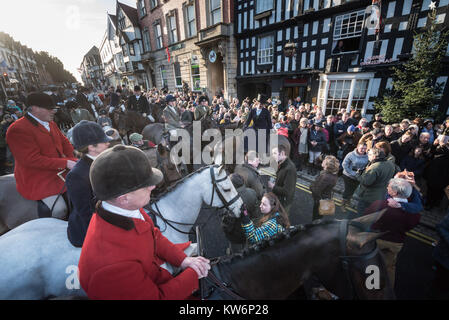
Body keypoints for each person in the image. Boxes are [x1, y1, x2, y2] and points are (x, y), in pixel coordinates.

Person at [78, 145, 211, 300]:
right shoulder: (112, 266)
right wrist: (194, 273)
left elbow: (153, 235)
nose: (153, 187)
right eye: (145, 185)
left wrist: (183, 259)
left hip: (152, 270)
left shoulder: (127, 208)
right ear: (124, 198)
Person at [6, 92, 77, 218]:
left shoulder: (50, 123)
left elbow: (65, 142)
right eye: (50, 109)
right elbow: (31, 160)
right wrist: (66, 163)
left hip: (59, 171)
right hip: (37, 176)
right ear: (34, 108)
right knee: (59, 209)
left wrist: (75, 157)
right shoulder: (17, 129)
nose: (54, 111)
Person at [364, 178, 421, 287]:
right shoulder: (415, 213)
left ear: (394, 192)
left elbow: (367, 216)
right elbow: (411, 225)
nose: (387, 188)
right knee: (389, 266)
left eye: (388, 187)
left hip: (376, 239)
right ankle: (387, 289)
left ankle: (369, 286)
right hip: (396, 243)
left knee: (370, 262)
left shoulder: (379, 205)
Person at [66, 121, 111, 247]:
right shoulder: (76, 175)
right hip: (91, 226)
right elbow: (86, 212)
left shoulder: (108, 160)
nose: (108, 143)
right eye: (104, 141)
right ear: (91, 147)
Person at [357, 147, 396, 215]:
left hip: (368, 196)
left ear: (374, 156)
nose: (367, 155)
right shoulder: (390, 164)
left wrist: (358, 175)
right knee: (370, 215)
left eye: (369, 154)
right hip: (381, 196)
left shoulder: (374, 167)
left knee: (361, 214)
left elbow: (366, 182)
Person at [268, 144, 296, 213]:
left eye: (275, 153)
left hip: (283, 203)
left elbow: (287, 191)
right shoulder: (281, 163)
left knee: (282, 220)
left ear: (282, 153)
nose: (273, 156)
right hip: (279, 199)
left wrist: (273, 186)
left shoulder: (290, 169)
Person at [309, 155, 339, 221]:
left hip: (320, 199)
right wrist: (319, 158)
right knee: (320, 214)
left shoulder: (326, 177)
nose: (322, 161)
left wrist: (311, 187)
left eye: (324, 161)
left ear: (327, 165)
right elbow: (317, 164)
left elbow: (316, 190)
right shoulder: (331, 173)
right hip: (325, 197)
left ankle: (315, 227)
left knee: (316, 216)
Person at [341, 143, 369, 210]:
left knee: (353, 190)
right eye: (361, 148)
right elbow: (344, 165)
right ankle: (343, 205)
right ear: (357, 147)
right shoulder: (351, 154)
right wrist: (353, 173)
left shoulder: (367, 156)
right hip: (348, 175)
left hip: (358, 176)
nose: (363, 150)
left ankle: (348, 201)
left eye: (365, 149)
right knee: (348, 190)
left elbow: (367, 166)